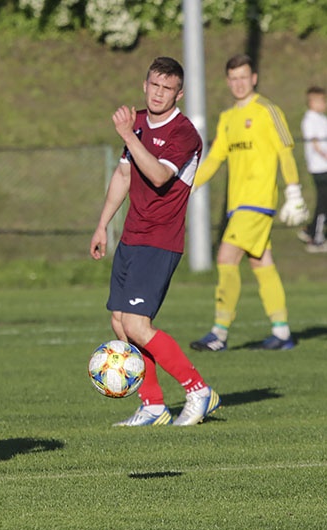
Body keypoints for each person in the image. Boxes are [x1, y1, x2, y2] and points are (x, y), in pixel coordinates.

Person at [90, 56, 219, 427]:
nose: (159, 93)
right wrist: (102, 226)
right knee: (119, 322)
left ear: (180, 93)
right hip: (132, 236)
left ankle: (197, 389)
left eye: (167, 88)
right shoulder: (140, 122)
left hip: (161, 240)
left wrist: (129, 135)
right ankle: (153, 405)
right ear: (145, 85)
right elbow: (124, 173)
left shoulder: (184, 134)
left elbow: (161, 176)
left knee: (137, 325)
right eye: (154, 85)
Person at [190, 54, 308, 352]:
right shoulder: (227, 118)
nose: (239, 83)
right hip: (238, 205)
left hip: (257, 202)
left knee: (226, 258)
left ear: (254, 77)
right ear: (228, 81)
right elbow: (215, 157)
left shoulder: (268, 110)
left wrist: (293, 191)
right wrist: (187, 186)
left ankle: (219, 332)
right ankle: (281, 332)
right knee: (261, 263)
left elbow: (285, 151)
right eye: (233, 78)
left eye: (244, 77)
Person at [297, 86, 327, 252]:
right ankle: (315, 239)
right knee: (323, 203)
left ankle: (310, 230)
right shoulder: (309, 120)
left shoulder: (322, 119)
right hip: (319, 167)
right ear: (312, 102)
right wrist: (324, 155)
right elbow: (315, 143)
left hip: (325, 166)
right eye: (322, 100)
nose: (325, 103)